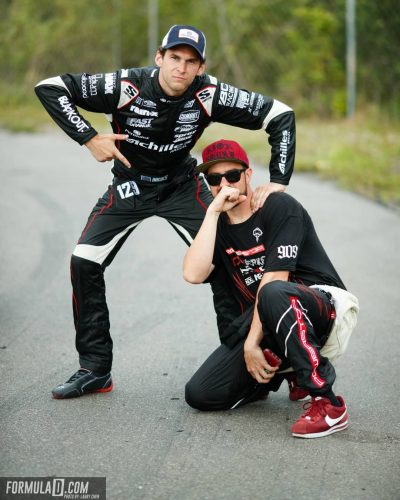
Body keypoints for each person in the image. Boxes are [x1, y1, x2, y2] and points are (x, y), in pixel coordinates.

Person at [34, 25, 296, 399]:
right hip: (130, 187)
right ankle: (94, 370)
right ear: (159, 57)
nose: (181, 68)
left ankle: (249, 363)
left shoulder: (209, 93)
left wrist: (279, 181)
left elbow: (281, 115)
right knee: (83, 262)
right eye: (174, 58)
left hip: (181, 186)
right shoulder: (124, 85)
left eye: (191, 62)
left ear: (201, 68)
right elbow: (49, 87)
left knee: (228, 260)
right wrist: (88, 137)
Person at [183, 139, 359, 438]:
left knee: (273, 292)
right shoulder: (217, 226)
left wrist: (251, 345)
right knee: (200, 393)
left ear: (248, 175)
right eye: (214, 179)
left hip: (322, 309)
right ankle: (279, 372)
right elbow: (192, 274)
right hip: (267, 320)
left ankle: (328, 403)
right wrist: (211, 213)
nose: (224, 185)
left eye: (232, 176)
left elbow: (277, 277)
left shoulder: (278, 207)